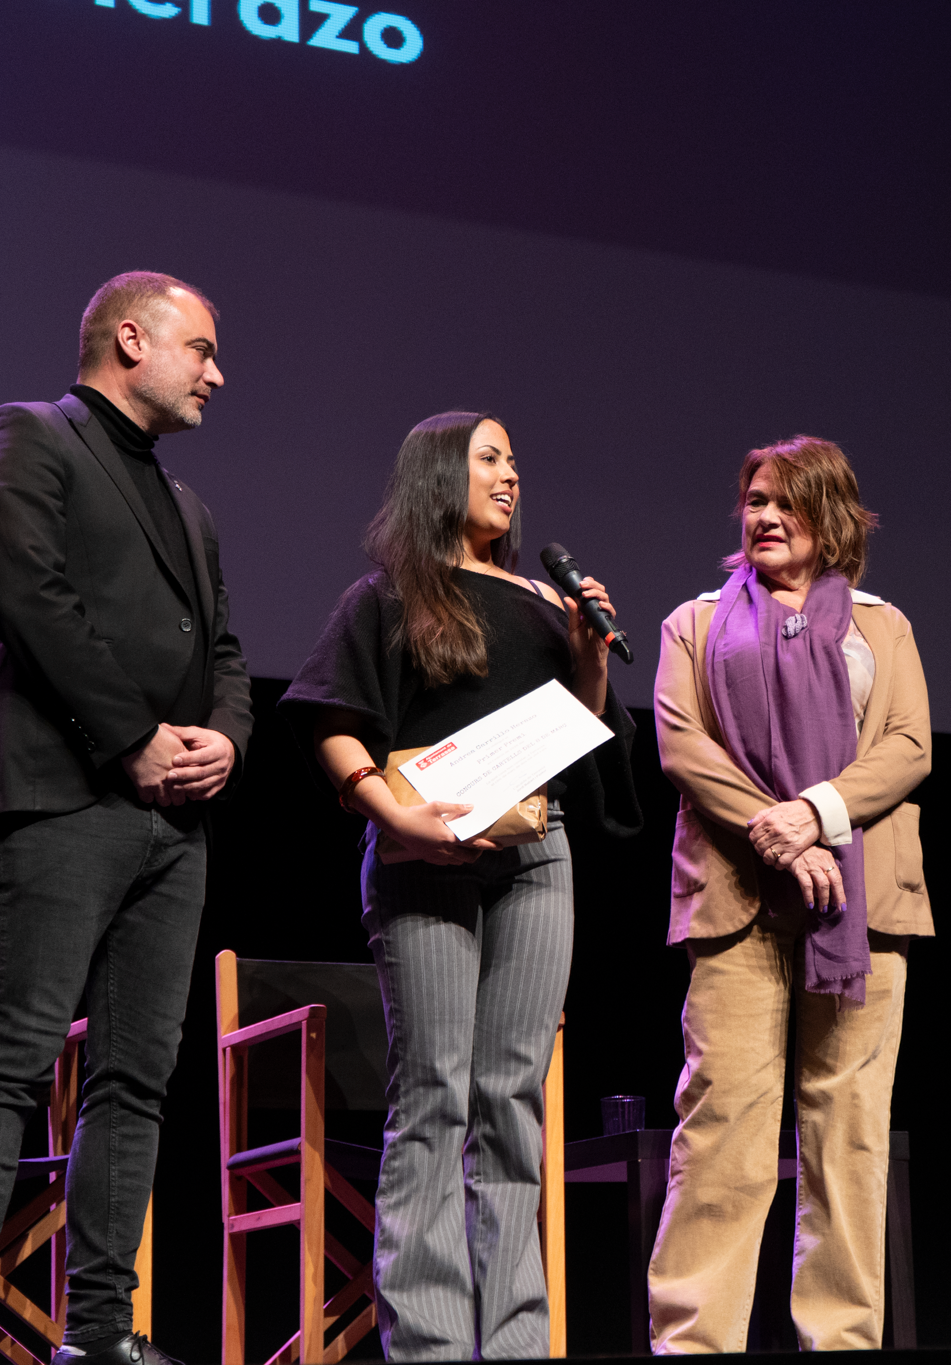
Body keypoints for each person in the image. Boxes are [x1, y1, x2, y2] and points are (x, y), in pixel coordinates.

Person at [0, 272, 253, 1365]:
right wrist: (132, 736)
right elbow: (28, 590)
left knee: (134, 1082)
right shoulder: (28, 436)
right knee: (14, 1059)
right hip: (65, 796)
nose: (216, 372)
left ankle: (99, 1331)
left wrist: (226, 739)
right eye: (199, 349)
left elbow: (228, 655)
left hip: (172, 825)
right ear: (129, 339)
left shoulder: (189, 507)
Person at [280, 411, 642, 1360]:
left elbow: (578, 733)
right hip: (422, 852)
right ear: (441, 475)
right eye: (490, 459)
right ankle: (433, 1344)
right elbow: (330, 718)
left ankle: (518, 1339)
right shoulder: (391, 595)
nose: (511, 476)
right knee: (436, 1091)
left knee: (512, 1093)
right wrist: (388, 813)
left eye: (516, 461)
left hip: (536, 849)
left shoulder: (538, 601)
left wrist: (589, 652)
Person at [646, 436, 932, 1353]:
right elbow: (685, 746)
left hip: (862, 903)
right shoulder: (694, 622)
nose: (765, 517)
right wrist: (776, 831)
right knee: (722, 1123)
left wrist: (815, 815)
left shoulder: (883, 625)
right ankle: (693, 1343)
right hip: (736, 900)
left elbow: (908, 746)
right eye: (755, 501)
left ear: (834, 519)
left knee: (848, 1136)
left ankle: (841, 1341)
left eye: (789, 504)